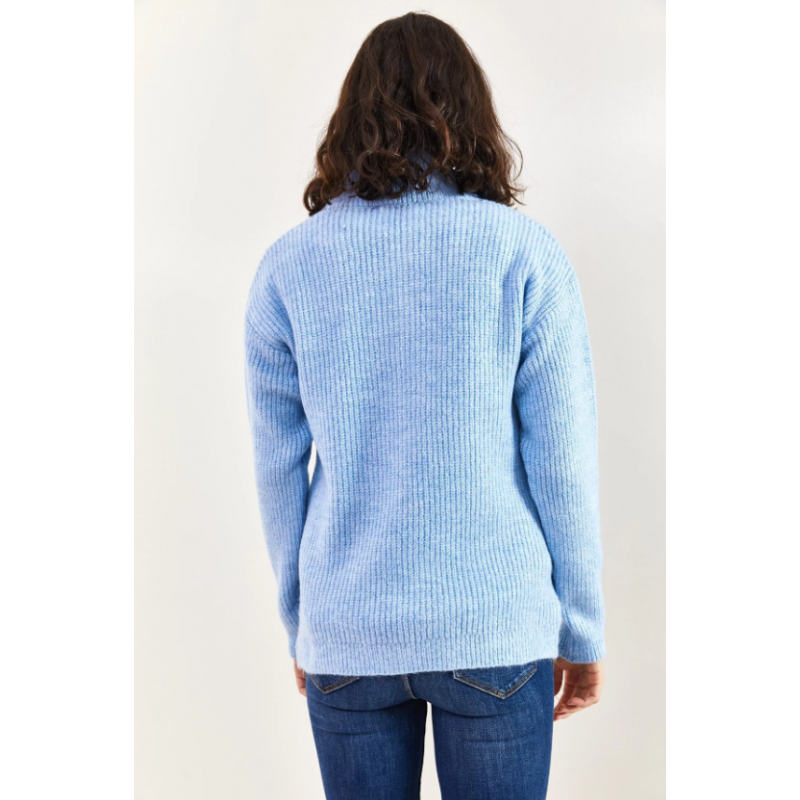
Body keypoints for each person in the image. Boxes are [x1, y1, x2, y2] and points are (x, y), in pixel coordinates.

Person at [244, 12, 605, 800]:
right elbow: (563, 459)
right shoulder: (521, 253)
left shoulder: (288, 268)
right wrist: (581, 626)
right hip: (494, 627)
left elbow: (277, 472)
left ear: (349, 117)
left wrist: (303, 622)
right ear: (471, 112)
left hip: (349, 631)